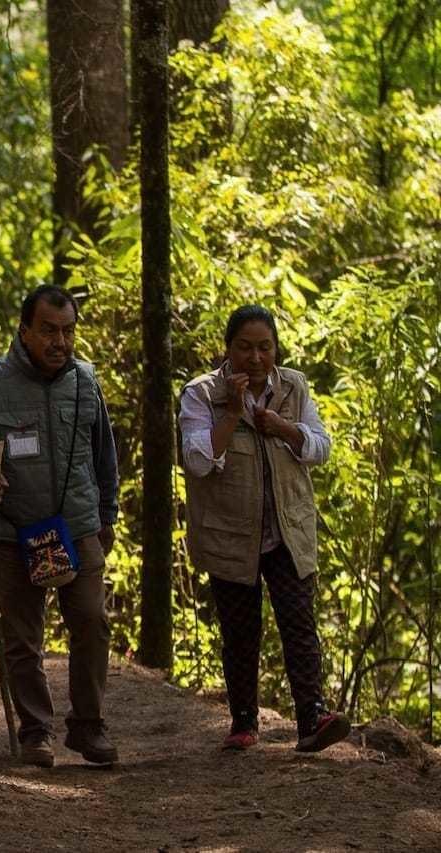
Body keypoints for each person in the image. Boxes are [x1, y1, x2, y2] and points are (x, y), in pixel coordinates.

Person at [0, 285, 119, 767]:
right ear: (25, 331)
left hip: (79, 526)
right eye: (48, 331)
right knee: (23, 638)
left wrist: (108, 517)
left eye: (67, 331)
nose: (59, 342)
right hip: (11, 533)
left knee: (91, 621)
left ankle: (88, 726)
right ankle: (36, 731)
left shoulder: (86, 382)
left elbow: (105, 456)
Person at [179, 304, 350, 753]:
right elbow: (196, 461)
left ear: (276, 349)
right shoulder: (201, 394)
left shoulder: (294, 386)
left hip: (286, 528)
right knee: (239, 628)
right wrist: (232, 414)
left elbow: (320, 447)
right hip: (230, 532)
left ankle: (312, 718)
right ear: (228, 350)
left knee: (298, 621)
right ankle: (243, 722)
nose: (256, 358)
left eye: (265, 348)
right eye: (245, 348)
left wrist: (285, 429)